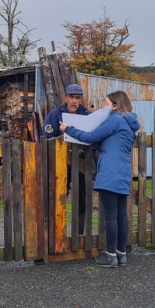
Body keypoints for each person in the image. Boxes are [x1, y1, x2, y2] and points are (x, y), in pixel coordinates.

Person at [59, 90, 140, 268]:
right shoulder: (128, 124)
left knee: (110, 216)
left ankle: (110, 256)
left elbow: (91, 136)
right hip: (123, 172)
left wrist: (68, 129)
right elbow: (103, 142)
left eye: (107, 103)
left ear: (115, 105)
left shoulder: (115, 119)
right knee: (121, 216)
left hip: (110, 172)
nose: (105, 107)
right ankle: (121, 254)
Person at [42, 83, 91, 234]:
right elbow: (47, 137)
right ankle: (57, 233)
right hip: (60, 165)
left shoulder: (88, 115)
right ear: (66, 98)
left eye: (77, 98)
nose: (74, 101)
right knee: (58, 198)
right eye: (71, 97)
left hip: (81, 165)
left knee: (81, 201)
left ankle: (79, 234)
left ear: (81, 100)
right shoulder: (55, 115)